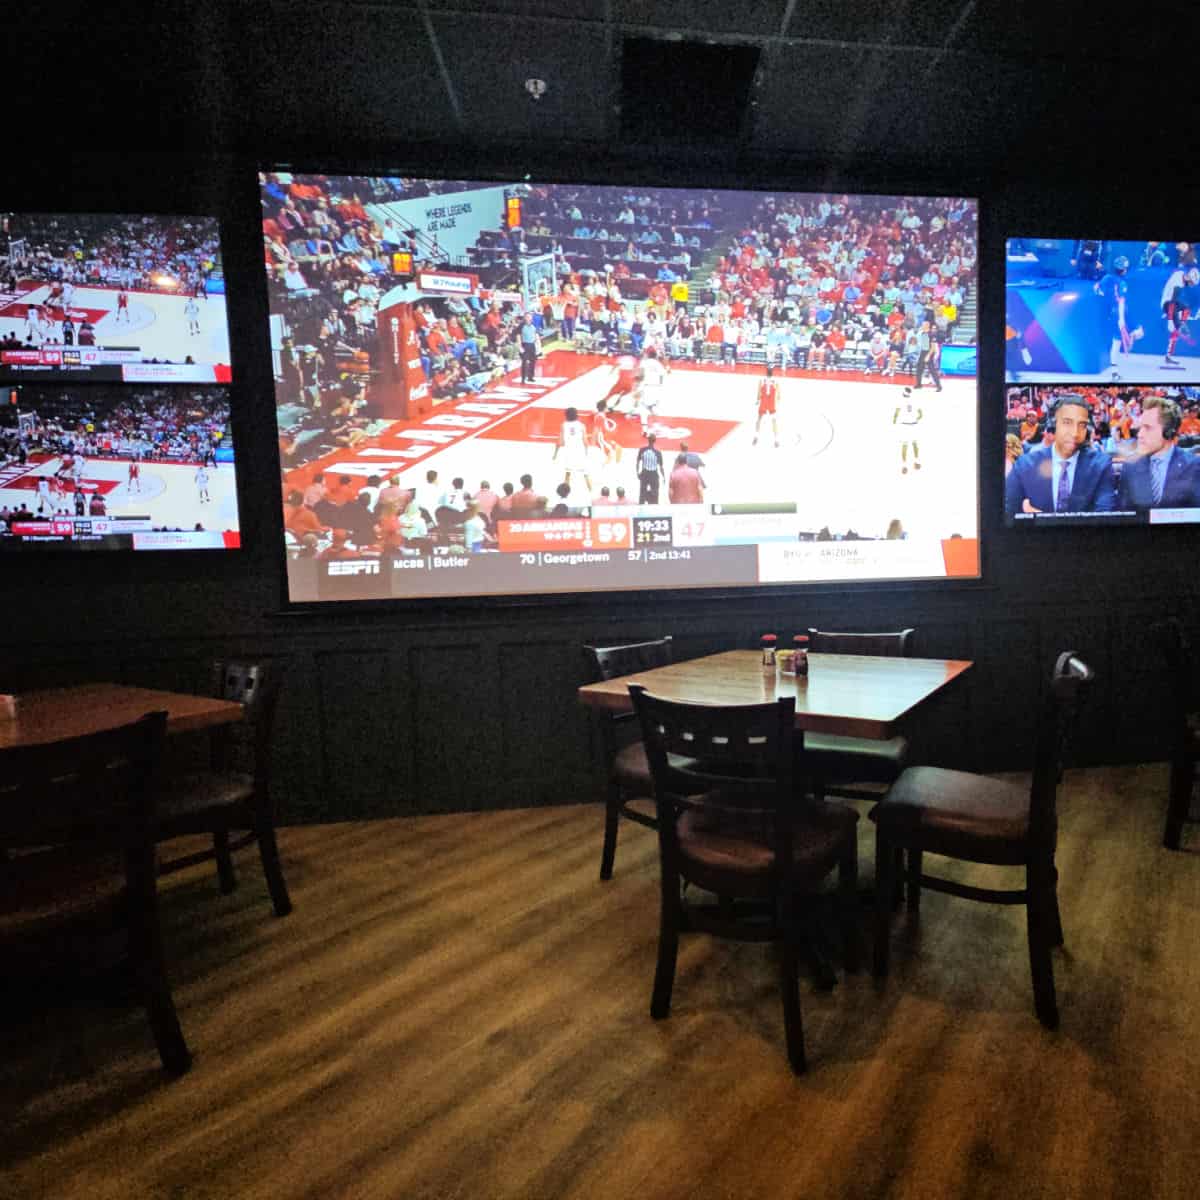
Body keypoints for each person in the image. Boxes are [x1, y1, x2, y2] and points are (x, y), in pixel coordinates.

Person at [1004, 394, 1117, 517]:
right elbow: (1006, 516)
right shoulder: (1024, 465)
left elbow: (1105, 520)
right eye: (1067, 422)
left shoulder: (1101, 465)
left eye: (1082, 425)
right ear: (1053, 425)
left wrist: (1043, 521)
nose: (1075, 433)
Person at [1117, 395, 1200, 509]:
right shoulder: (1130, 466)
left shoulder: (1194, 465)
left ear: (1168, 432)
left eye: (1148, 428)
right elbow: (1123, 516)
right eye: (1140, 428)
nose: (1140, 434)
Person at [1096, 255, 1138, 379]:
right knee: (1116, 343)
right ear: (1124, 269)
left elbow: (1097, 290)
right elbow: (1121, 301)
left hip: (1112, 312)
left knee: (1138, 333)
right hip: (1120, 313)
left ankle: (1131, 336)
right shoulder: (1123, 284)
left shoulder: (1106, 278)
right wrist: (1121, 319)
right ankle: (1115, 373)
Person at [1160, 265, 1200, 369]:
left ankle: (1180, 325)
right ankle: (1179, 325)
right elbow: (1172, 303)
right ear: (1188, 278)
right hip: (1167, 304)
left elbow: (1176, 270)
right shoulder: (1178, 285)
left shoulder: (1181, 274)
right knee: (1175, 326)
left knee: (1186, 309)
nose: (1190, 285)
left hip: (1171, 302)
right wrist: (1170, 320)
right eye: (1190, 282)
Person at [553, 405, 592, 492]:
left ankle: (564, 494)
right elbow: (585, 441)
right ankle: (591, 494)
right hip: (580, 452)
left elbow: (560, 442)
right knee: (586, 475)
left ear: (566, 415)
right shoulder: (582, 426)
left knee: (567, 474)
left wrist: (555, 454)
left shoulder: (563, 425)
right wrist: (586, 452)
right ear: (576, 415)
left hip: (569, 453)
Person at [893, 386, 924, 473]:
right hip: (914, 425)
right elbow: (921, 415)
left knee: (904, 445)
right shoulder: (915, 401)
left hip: (904, 426)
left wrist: (894, 422)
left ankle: (904, 466)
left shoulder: (900, 401)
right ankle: (917, 462)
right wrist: (916, 419)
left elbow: (896, 414)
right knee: (915, 444)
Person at [753, 364, 779, 447]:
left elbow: (758, 392)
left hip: (765, 401)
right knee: (773, 420)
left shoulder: (762, 380)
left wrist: (757, 400)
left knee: (759, 419)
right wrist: (776, 401)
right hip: (770, 402)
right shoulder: (775, 381)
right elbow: (779, 395)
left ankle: (756, 436)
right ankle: (776, 440)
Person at [636, 432, 666, 504]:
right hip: (653, 474)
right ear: (655, 441)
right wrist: (663, 476)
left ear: (648, 440)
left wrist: (637, 473)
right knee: (655, 493)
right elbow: (661, 467)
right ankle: (653, 505)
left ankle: (641, 506)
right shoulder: (658, 453)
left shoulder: (642, 450)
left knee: (642, 492)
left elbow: (637, 462)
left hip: (644, 473)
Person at [914, 321, 941, 391]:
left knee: (932, 370)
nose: (922, 326)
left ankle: (939, 386)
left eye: (923, 325)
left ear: (927, 325)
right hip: (923, 352)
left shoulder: (932, 334)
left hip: (929, 353)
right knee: (919, 368)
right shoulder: (923, 333)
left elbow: (933, 347)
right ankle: (919, 384)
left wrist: (928, 356)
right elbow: (925, 345)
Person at [518, 313, 540, 384]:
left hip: (532, 344)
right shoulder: (521, 326)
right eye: (527, 317)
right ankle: (523, 378)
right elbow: (518, 336)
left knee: (532, 361)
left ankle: (530, 376)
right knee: (524, 362)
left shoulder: (533, 326)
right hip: (525, 344)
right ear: (525, 318)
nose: (529, 318)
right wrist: (520, 346)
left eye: (530, 317)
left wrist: (537, 345)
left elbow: (536, 335)